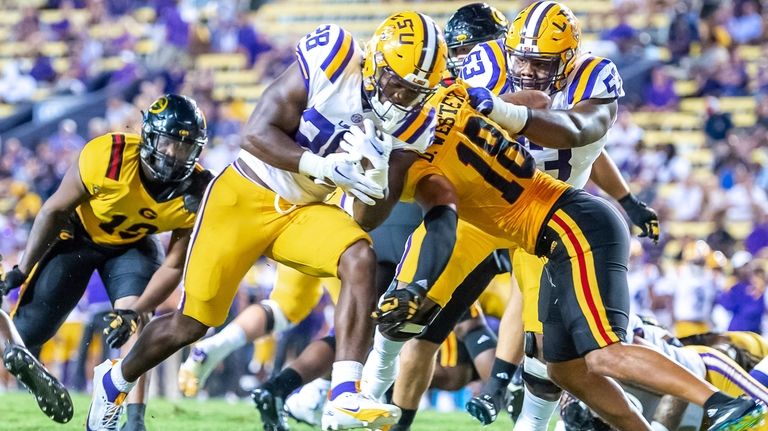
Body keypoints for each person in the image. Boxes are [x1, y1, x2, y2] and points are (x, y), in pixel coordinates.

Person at [88, 11, 448, 431]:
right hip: (245, 193)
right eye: (397, 84)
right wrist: (324, 167)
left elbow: (368, 218)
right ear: (375, 64)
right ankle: (114, 381)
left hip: (303, 210)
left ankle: (344, 393)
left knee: (359, 256)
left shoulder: (417, 121)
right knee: (190, 325)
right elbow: (255, 133)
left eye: (415, 91)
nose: (403, 98)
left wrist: (377, 177)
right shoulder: (335, 60)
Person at [370, 79, 766, 431]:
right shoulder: (458, 104)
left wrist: (414, 286)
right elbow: (536, 101)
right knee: (565, 369)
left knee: (604, 354)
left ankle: (722, 403)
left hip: (572, 229)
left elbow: (435, 224)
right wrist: (495, 104)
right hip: (553, 235)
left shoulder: (426, 161)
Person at [2, 94, 211, 431]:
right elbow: (55, 209)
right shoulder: (108, 155)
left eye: (184, 148)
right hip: (78, 239)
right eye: (167, 143)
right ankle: (33, 370)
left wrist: (137, 308)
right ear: (148, 137)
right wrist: (23, 268)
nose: (173, 155)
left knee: (135, 317)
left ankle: (132, 417)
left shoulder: (200, 191)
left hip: (133, 248)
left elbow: (174, 265)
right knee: (25, 334)